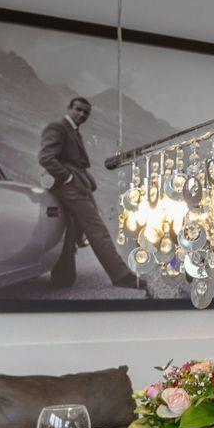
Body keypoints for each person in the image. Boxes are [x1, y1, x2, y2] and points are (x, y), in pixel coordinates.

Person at [39, 96, 141, 290]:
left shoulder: (73, 131)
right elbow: (46, 157)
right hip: (70, 188)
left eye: (86, 112)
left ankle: (63, 278)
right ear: (69, 108)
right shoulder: (58, 128)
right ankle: (122, 277)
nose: (82, 114)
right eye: (78, 109)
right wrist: (67, 177)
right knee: (97, 230)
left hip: (76, 185)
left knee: (70, 230)